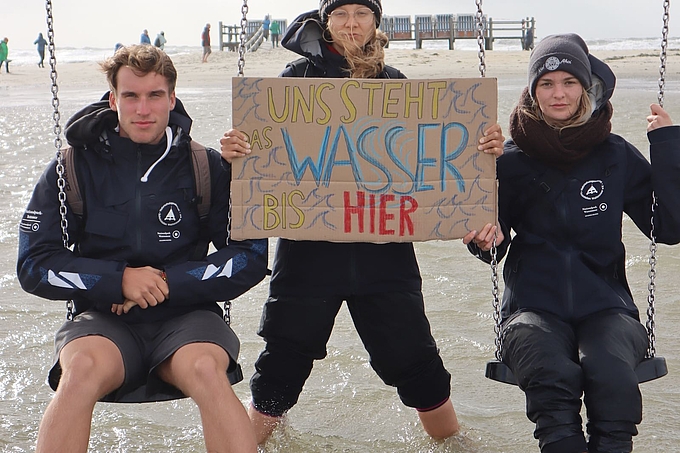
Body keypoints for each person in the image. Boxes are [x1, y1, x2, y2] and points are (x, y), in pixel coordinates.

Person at [220, 0, 505, 445]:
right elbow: (265, 162)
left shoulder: (396, 87)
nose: (351, 23)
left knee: (418, 366)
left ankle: (455, 445)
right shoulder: (294, 82)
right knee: (280, 365)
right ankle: (250, 444)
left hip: (385, 257)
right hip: (307, 256)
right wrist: (237, 151)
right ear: (324, 21)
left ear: (376, 22)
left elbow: (434, 166)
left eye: (361, 13)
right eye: (340, 13)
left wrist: (480, 146)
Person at [16, 44, 267, 453]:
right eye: (131, 96)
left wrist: (166, 283)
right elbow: (33, 264)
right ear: (114, 99)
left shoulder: (206, 165)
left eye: (154, 95)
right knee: (77, 373)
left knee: (206, 370)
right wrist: (118, 281)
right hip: (103, 321)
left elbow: (250, 256)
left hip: (187, 319)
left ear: (172, 97)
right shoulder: (70, 167)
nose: (143, 108)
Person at [465, 33, 680, 453]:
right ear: (533, 91)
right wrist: (483, 239)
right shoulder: (508, 160)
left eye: (569, 82)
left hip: (607, 308)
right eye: (546, 84)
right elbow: (492, 243)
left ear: (586, 87)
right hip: (531, 311)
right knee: (552, 379)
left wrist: (668, 145)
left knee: (612, 377)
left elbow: (669, 229)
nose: (558, 93)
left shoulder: (616, 155)